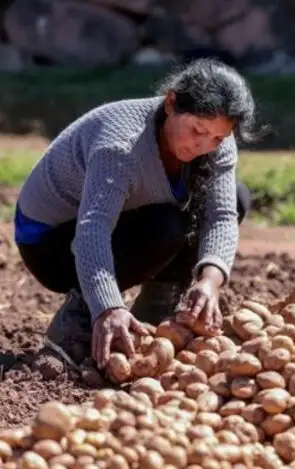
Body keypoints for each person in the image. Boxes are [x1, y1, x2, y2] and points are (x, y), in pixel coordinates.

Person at [13, 58, 264, 370]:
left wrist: (210, 280)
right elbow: (93, 229)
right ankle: (76, 324)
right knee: (166, 224)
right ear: (171, 103)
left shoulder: (216, 144)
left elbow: (222, 214)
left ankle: (158, 304)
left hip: (123, 225)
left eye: (217, 137)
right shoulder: (121, 145)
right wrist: (107, 307)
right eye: (197, 130)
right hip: (51, 244)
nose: (204, 145)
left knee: (235, 196)